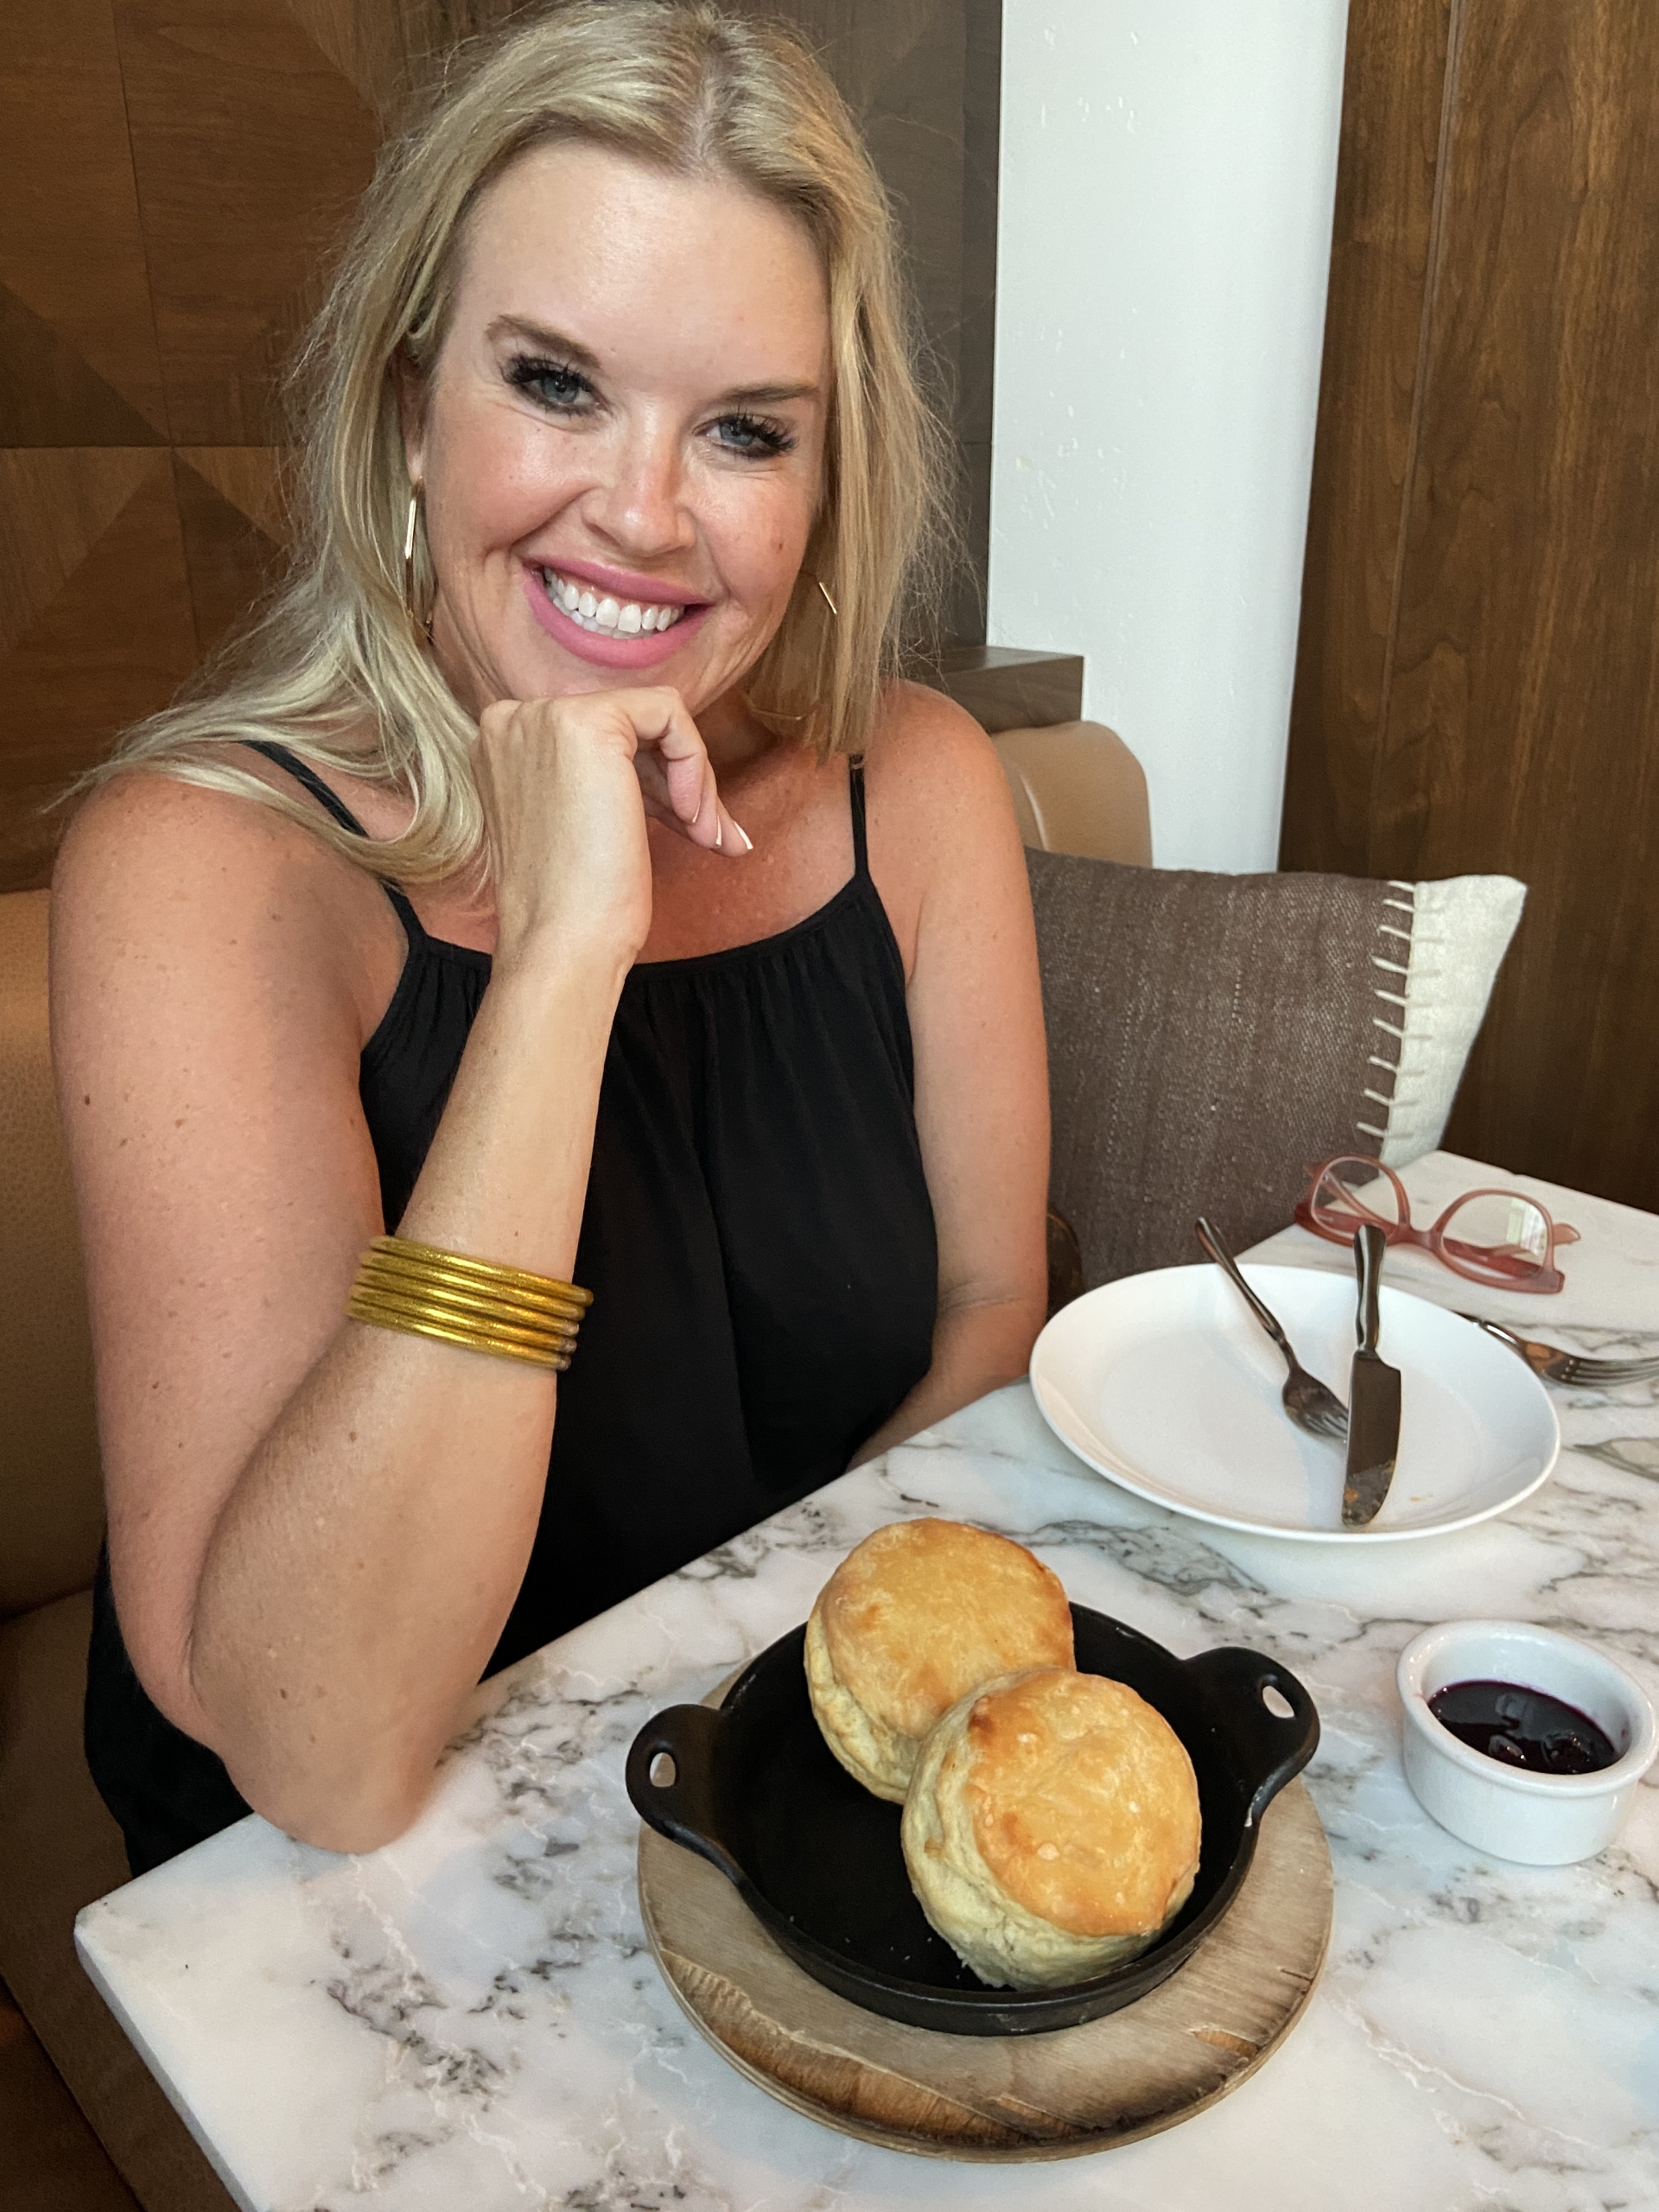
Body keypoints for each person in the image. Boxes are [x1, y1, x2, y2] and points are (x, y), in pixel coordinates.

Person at [51, 0, 1048, 1876]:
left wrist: (793, 1733)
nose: (644, 514)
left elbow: (992, 1311)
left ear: (826, 483)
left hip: (781, 1785)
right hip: (347, 1891)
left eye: (744, 430)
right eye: (557, 384)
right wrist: (566, 953)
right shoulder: (205, 865)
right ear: (409, 408)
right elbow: (321, 1752)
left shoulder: (911, 782)